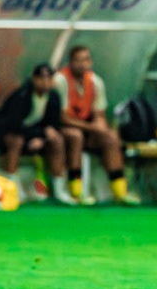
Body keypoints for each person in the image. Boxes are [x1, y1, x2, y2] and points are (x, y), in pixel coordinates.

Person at [54, 44, 131, 203]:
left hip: (86, 127)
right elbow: (61, 117)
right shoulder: (60, 80)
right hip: (63, 128)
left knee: (110, 137)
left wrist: (100, 126)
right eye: (78, 60)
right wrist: (91, 127)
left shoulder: (96, 82)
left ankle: (120, 191)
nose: (83, 64)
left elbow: (99, 114)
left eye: (86, 59)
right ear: (71, 62)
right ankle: (76, 191)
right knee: (76, 136)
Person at [0, 64, 73, 200]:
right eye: (41, 78)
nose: (45, 82)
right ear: (34, 79)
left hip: (35, 136)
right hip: (5, 135)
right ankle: (12, 187)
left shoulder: (54, 97)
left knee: (57, 139)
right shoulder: (21, 95)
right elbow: (13, 125)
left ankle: (59, 189)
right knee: (16, 140)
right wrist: (39, 134)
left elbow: (54, 125)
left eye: (49, 78)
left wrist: (42, 138)